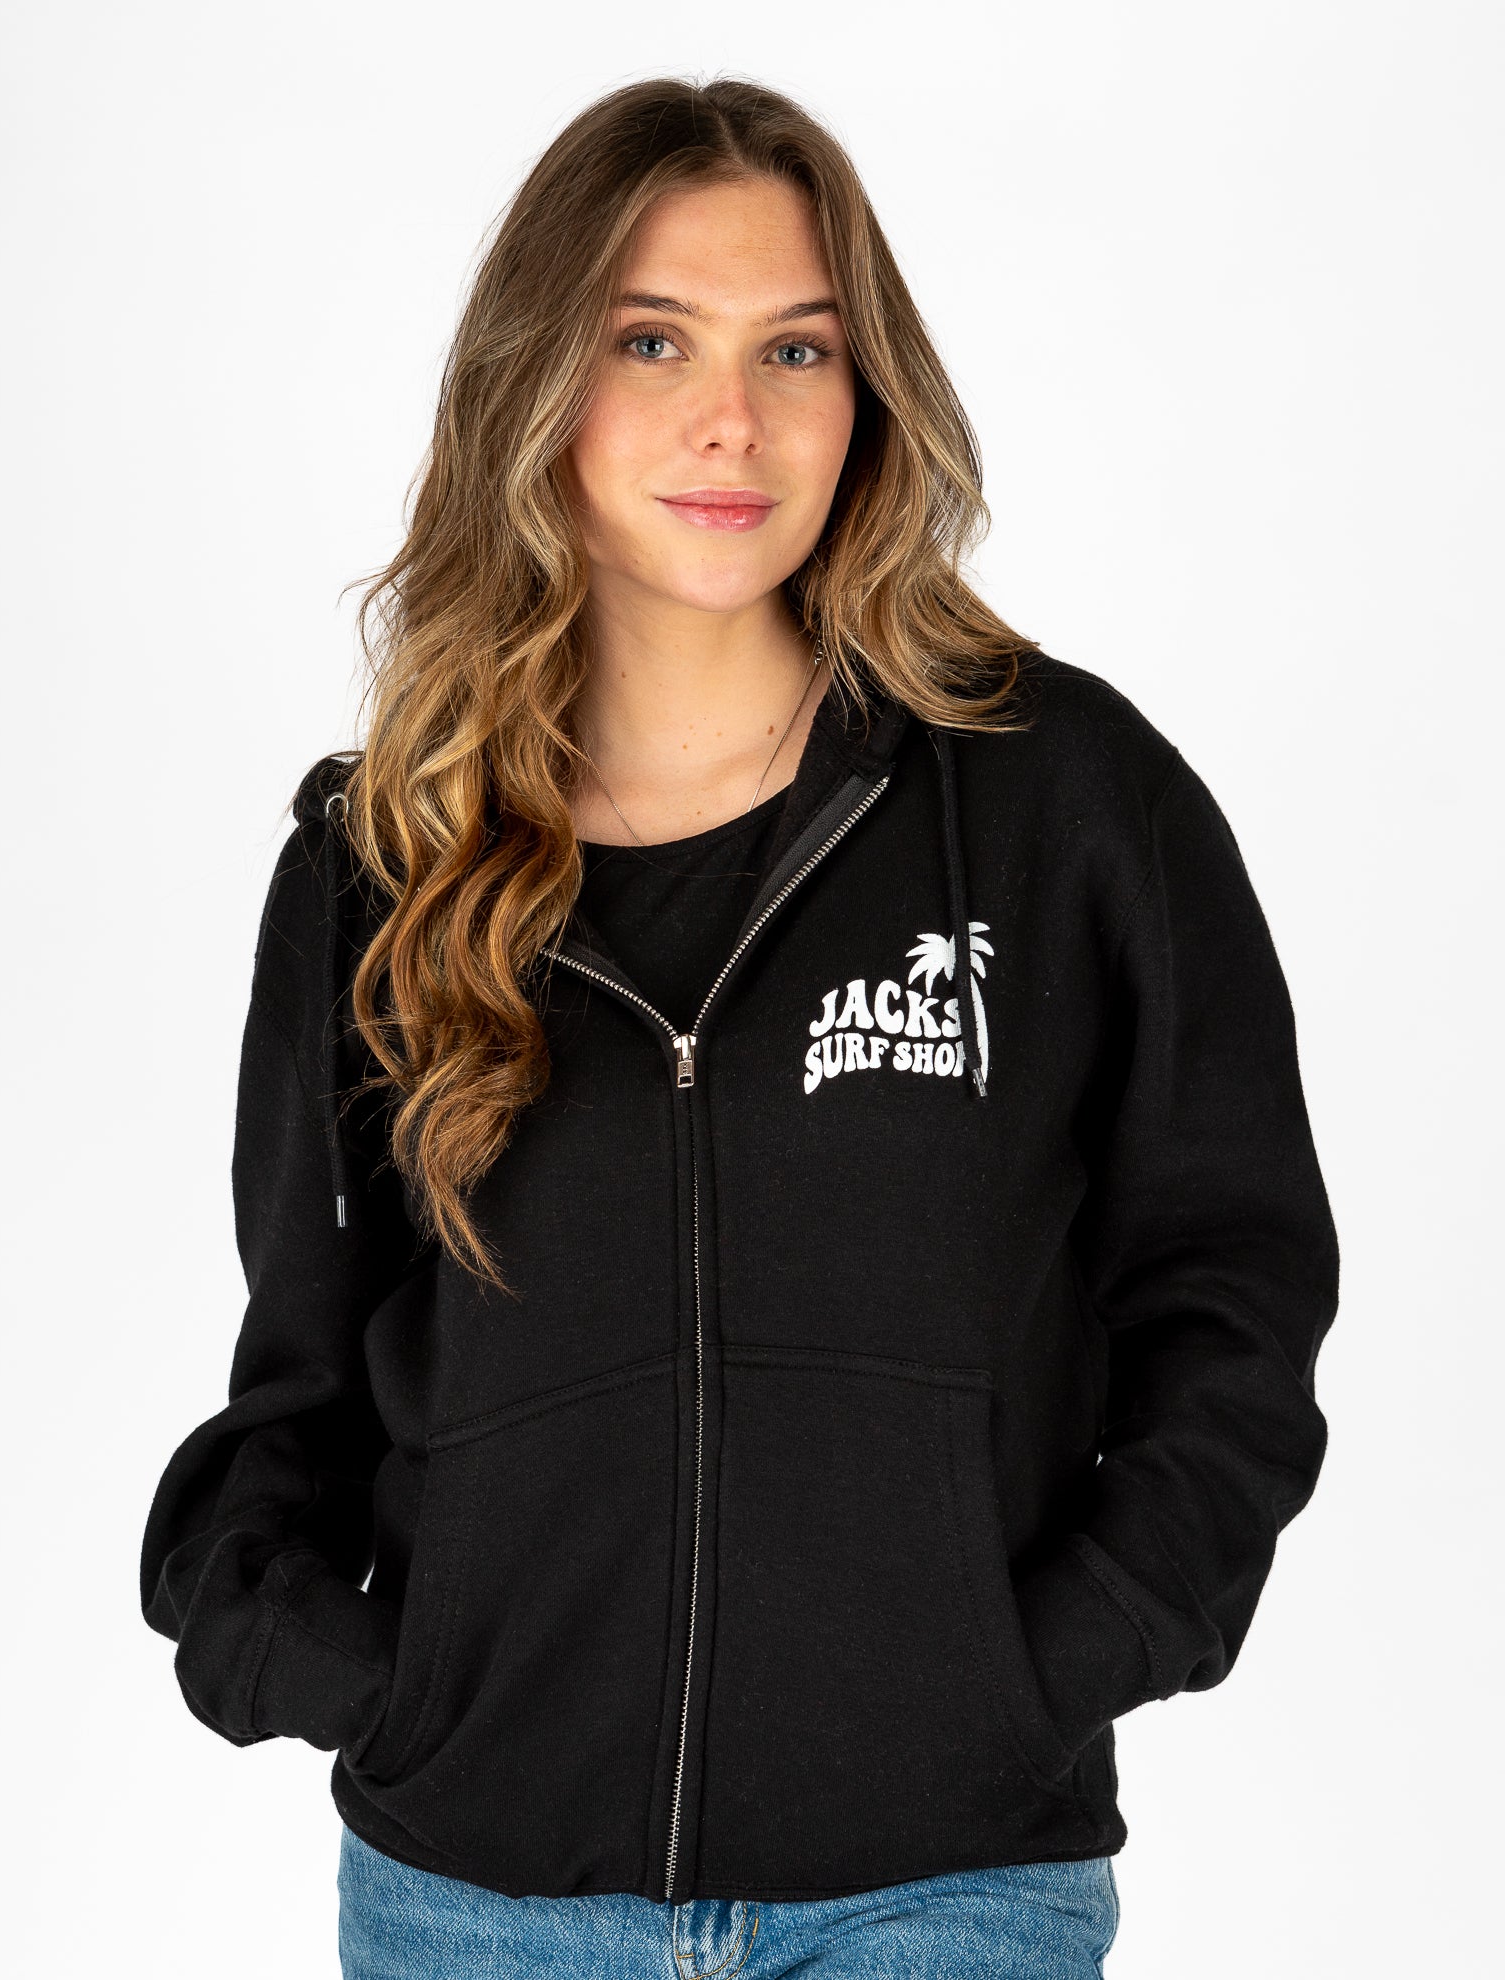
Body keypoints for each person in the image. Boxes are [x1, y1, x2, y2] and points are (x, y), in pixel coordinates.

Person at [139, 75, 1339, 1980]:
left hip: (945, 1889)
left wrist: (1050, 1666)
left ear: (868, 394)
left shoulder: (1061, 800)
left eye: (798, 348)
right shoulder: (391, 862)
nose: (734, 420)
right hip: (478, 1903)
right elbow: (302, 1375)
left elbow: (1233, 1296)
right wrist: (362, 1678)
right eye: (653, 340)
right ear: (538, 381)